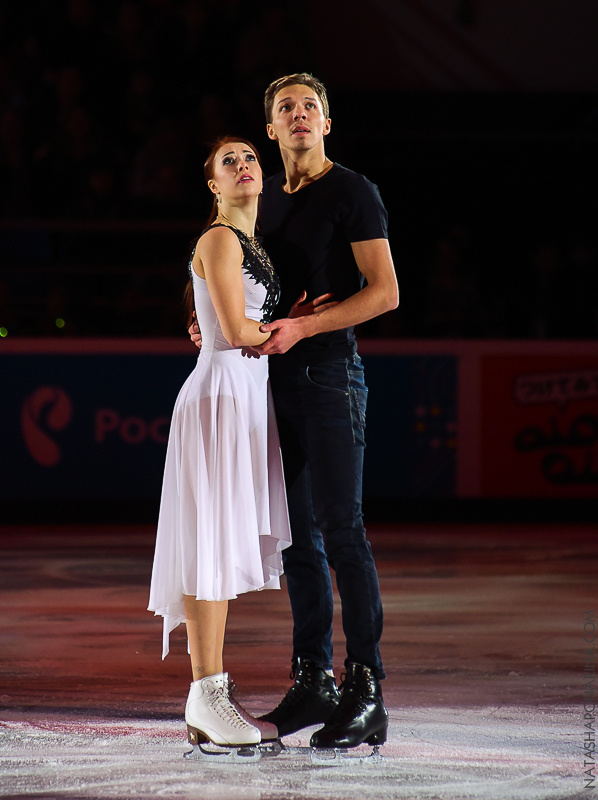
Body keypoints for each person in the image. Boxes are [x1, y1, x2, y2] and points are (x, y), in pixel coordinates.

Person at [190, 74, 399, 750]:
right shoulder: (264, 203)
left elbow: (386, 292)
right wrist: (212, 327)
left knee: (341, 529)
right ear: (273, 131)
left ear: (327, 125)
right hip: (272, 383)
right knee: (297, 540)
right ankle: (314, 677)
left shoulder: (353, 192)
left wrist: (305, 330)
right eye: (286, 109)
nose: (300, 115)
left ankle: (365, 688)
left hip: (331, 375)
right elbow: (243, 290)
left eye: (311, 107)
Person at [148, 137, 297, 750]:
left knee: (217, 540)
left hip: (243, 398)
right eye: (228, 162)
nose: (243, 166)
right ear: (213, 185)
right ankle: (207, 692)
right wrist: (298, 326)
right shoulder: (219, 239)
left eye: (250, 158)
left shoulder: (252, 245)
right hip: (218, 399)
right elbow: (237, 331)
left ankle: (207, 696)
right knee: (208, 542)